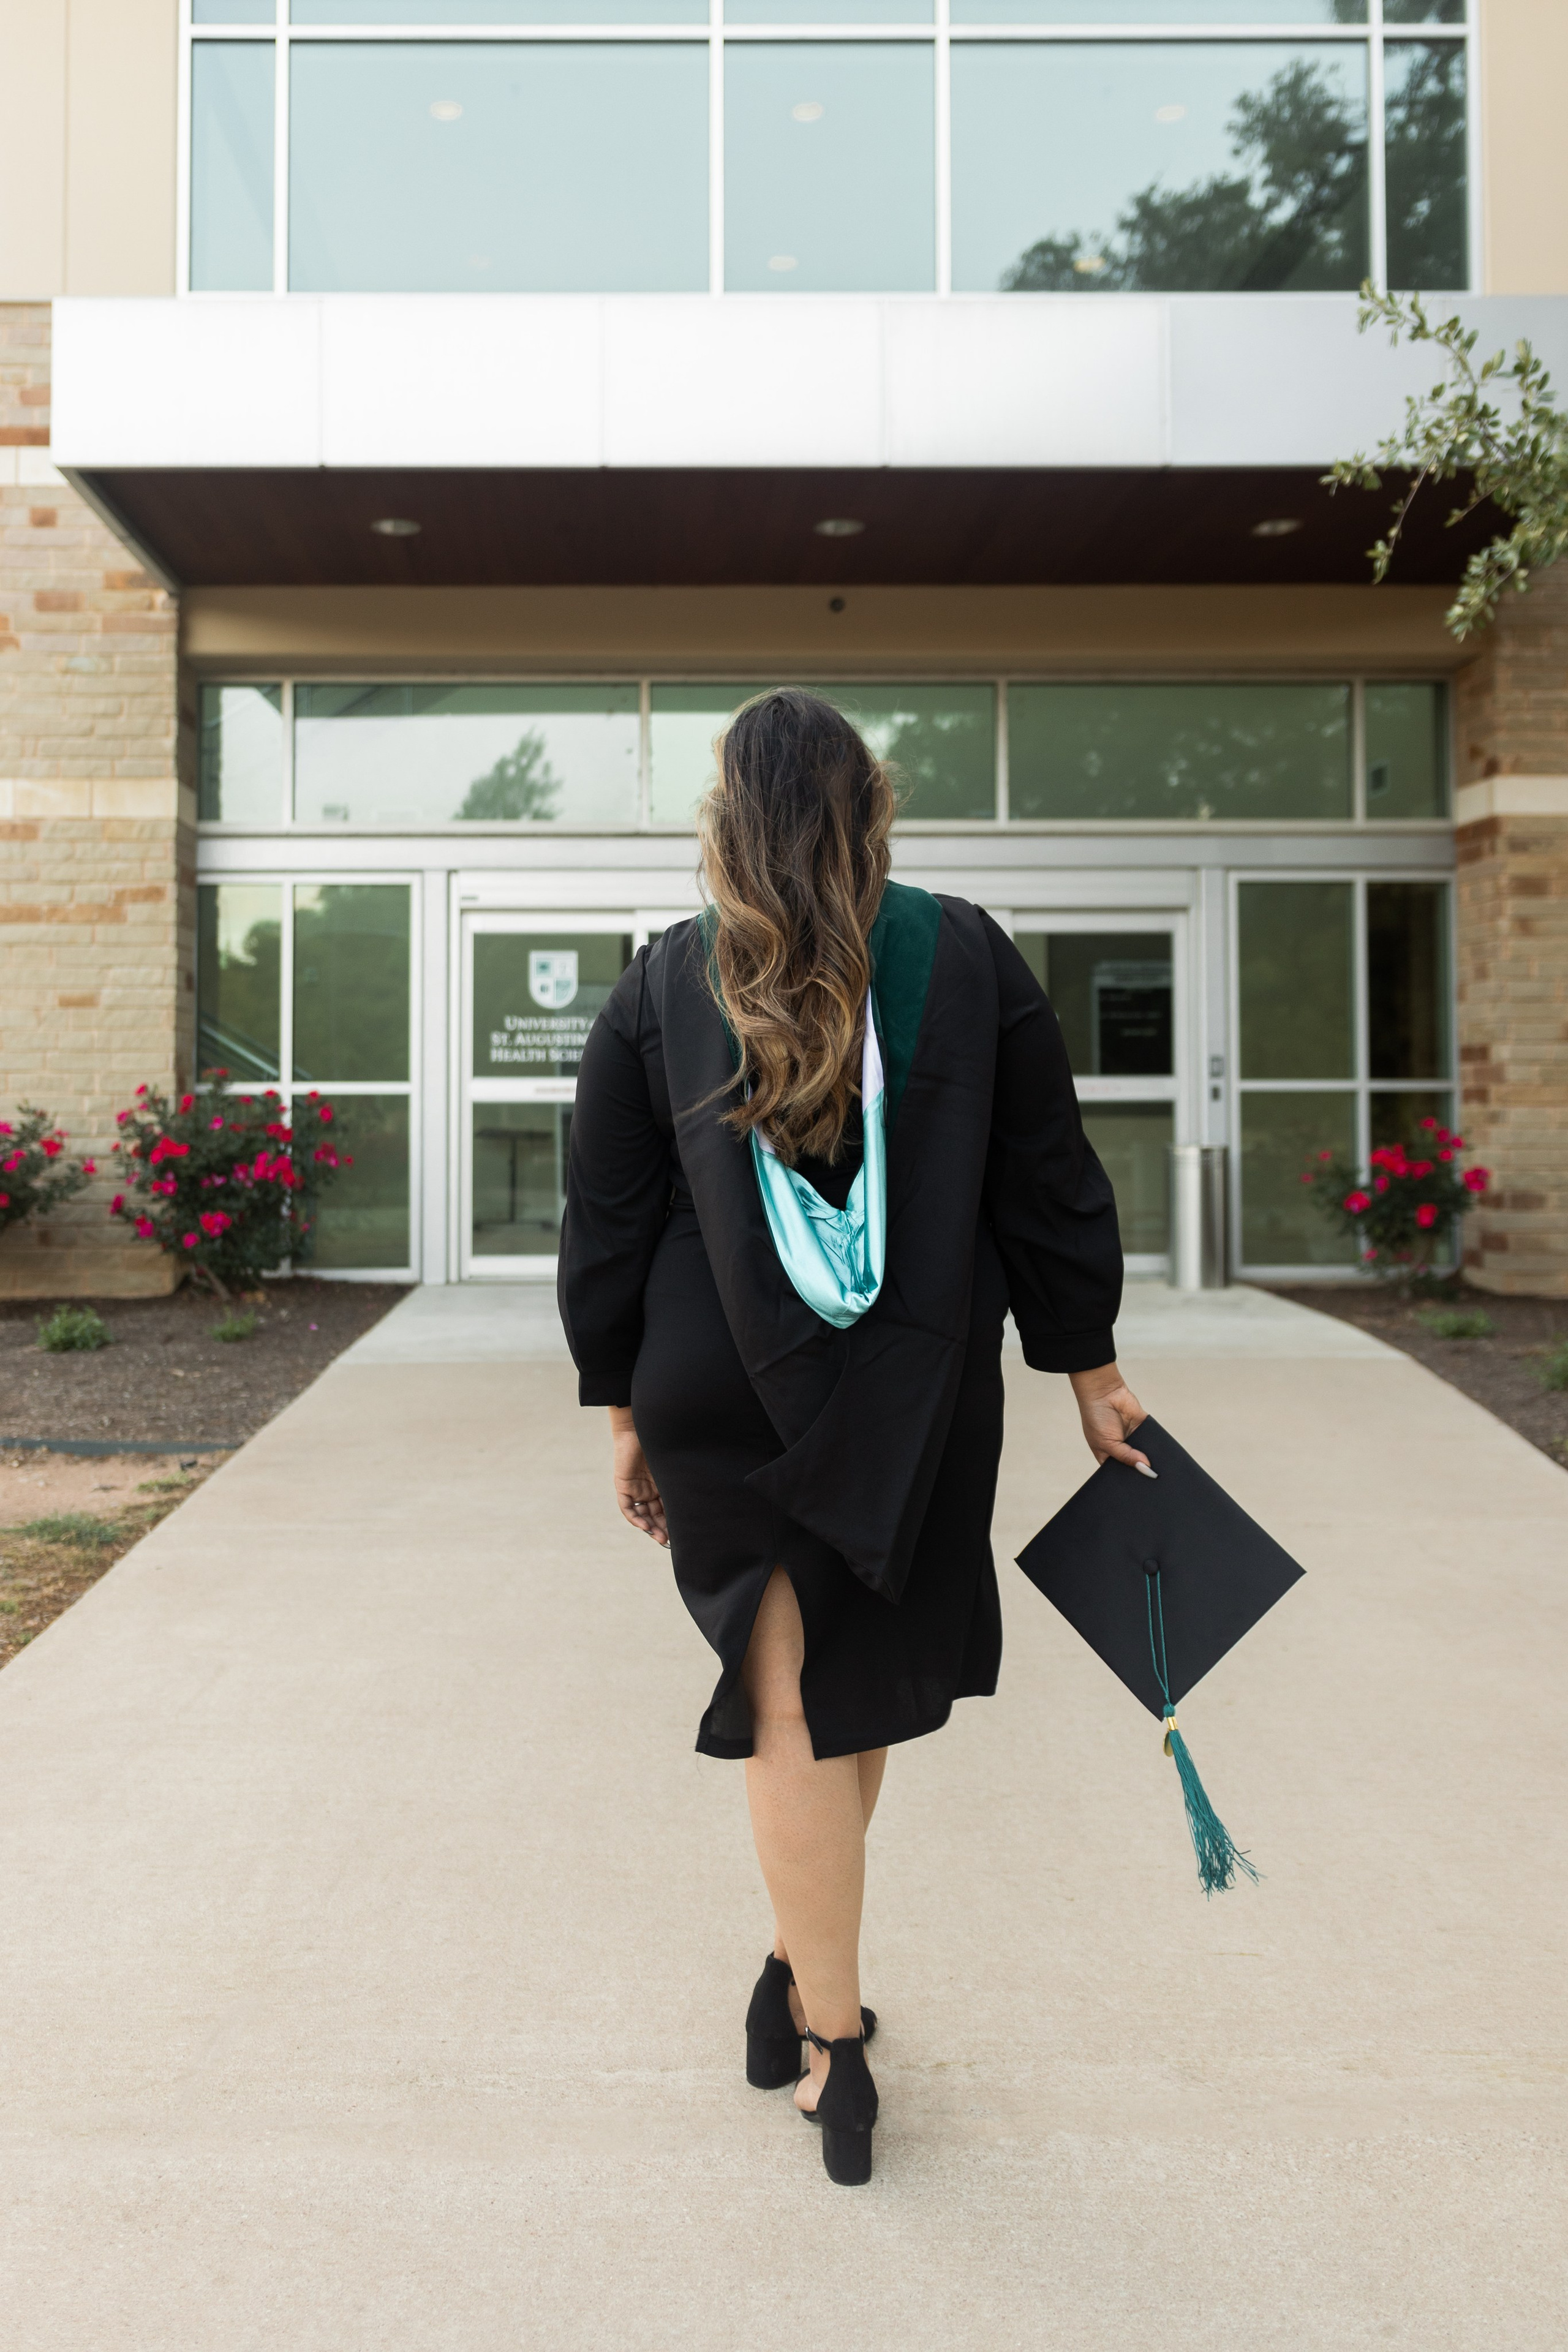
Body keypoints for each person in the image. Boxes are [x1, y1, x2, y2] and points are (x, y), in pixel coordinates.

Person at [559, 687, 1145, 2186]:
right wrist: (1086, 1370)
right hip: (920, 1379)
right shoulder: (965, 956)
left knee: (812, 1699)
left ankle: (799, 1994)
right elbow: (1048, 1181)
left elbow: (608, 1222)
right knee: (837, 1698)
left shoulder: (660, 984)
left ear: (723, 822)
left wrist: (622, 1410)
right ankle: (833, 2034)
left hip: (719, 1380)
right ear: (867, 809)